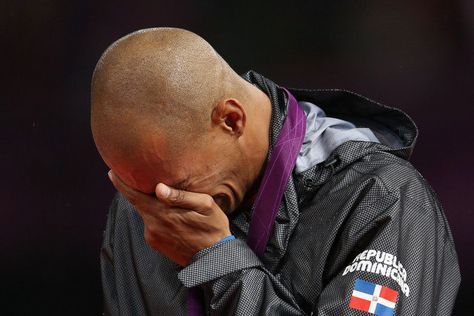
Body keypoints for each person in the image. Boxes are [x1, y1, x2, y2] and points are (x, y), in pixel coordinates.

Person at [90, 27, 460, 315]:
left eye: (179, 186)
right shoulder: (142, 209)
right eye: (139, 192)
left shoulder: (383, 201)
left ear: (231, 120)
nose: (163, 209)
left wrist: (220, 265)